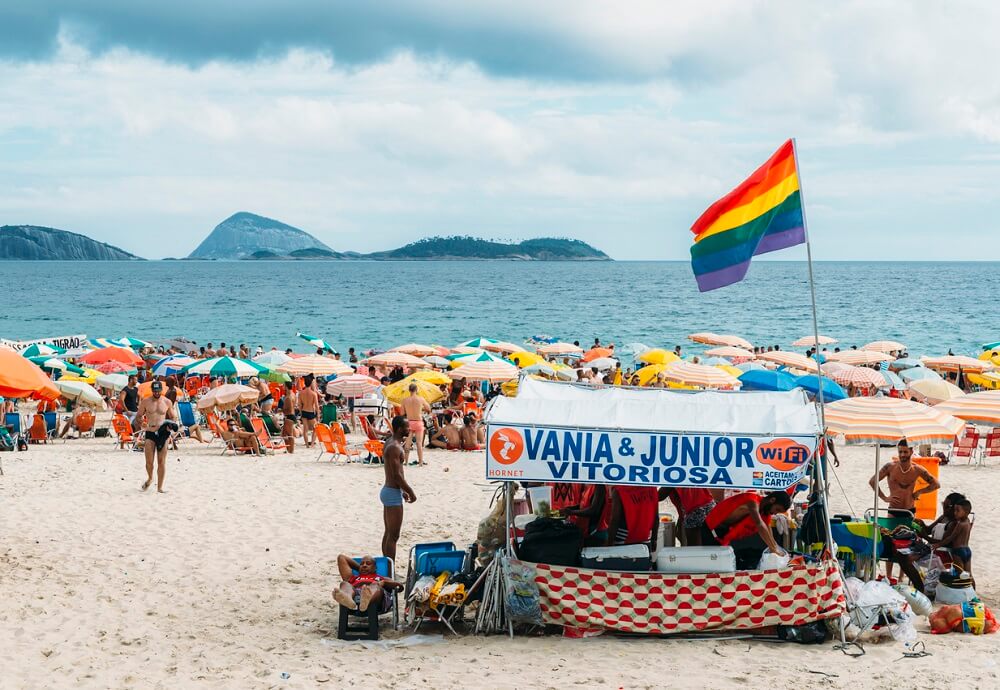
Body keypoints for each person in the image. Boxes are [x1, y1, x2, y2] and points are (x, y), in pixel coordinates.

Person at [705, 491, 790, 567]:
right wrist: (773, 549)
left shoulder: (765, 512)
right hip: (710, 530)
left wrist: (776, 548)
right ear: (772, 500)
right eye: (777, 509)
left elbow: (768, 528)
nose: (775, 513)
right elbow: (759, 524)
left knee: (719, 566)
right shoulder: (752, 501)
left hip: (723, 536)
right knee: (709, 565)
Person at [869, 440, 939, 517]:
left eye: (905, 452)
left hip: (910, 510)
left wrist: (919, 492)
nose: (902, 455)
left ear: (911, 452)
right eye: (900, 452)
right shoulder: (890, 467)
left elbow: (936, 484)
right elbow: (872, 481)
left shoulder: (917, 469)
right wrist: (884, 498)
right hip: (893, 510)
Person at [380, 416, 417, 561]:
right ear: (400, 429)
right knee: (394, 535)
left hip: (391, 490)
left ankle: (387, 565)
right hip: (392, 492)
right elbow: (397, 475)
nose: (410, 429)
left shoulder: (390, 442)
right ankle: (390, 567)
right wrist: (410, 491)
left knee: (388, 533)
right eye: (407, 427)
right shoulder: (394, 447)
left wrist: (402, 490)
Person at [135, 380, 177, 493]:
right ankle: (150, 478)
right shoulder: (145, 401)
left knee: (161, 461)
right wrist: (142, 422)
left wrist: (170, 425)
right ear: (152, 390)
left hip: (163, 432)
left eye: (158, 391)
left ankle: (160, 487)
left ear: (161, 390)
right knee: (149, 462)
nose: (156, 393)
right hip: (150, 431)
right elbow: (138, 416)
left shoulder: (167, 402)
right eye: (155, 391)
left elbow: (173, 417)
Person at [332, 554, 403, 612]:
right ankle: (348, 599)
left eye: (368, 563)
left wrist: (383, 583)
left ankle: (367, 599)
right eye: (362, 564)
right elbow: (341, 558)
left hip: (376, 596)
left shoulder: (381, 578)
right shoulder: (353, 577)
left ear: (375, 568)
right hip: (355, 594)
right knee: (344, 584)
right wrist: (360, 568)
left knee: (375, 585)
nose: (364, 565)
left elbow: (399, 586)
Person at [938, 499, 974, 579]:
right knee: (969, 575)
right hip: (967, 550)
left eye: (958, 511)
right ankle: (973, 587)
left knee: (961, 575)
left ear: (966, 512)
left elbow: (951, 538)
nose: (955, 513)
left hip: (958, 551)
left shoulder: (960, 524)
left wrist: (938, 544)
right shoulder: (968, 521)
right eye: (954, 510)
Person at [401, 383, 431, 465]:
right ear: (416, 390)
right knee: (419, 443)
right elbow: (428, 408)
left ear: (409, 390)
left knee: (407, 443)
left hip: (409, 422)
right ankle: (420, 462)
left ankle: (406, 462)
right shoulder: (421, 399)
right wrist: (421, 408)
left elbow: (402, 413)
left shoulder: (405, 400)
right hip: (418, 422)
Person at [298, 374, 320, 447]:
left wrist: (301, 412)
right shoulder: (313, 394)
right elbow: (316, 406)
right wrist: (318, 415)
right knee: (315, 428)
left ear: (304, 383)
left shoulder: (301, 393)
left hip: (304, 411)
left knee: (305, 430)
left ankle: (307, 445)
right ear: (311, 383)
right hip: (311, 412)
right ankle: (312, 444)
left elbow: (299, 405)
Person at [281, 380, 297, 454]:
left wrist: (281, 410)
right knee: (284, 434)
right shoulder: (293, 394)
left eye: (284, 385)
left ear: (286, 387)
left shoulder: (288, 397)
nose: (283, 387)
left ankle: (291, 450)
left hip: (289, 416)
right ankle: (288, 448)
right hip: (291, 415)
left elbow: (289, 409)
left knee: (290, 435)